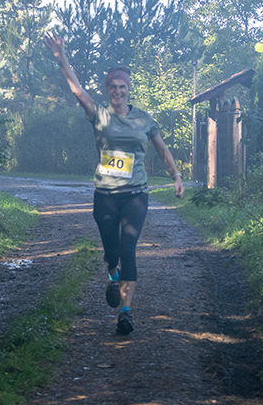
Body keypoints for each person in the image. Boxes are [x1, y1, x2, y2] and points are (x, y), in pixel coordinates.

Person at [44, 31, 185, 335]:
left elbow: (161, 148)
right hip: (106, 195)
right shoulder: (99, 115)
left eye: (122, 86)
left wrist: (176, 174)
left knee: (129, 248)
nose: (118, 91)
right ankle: (111, 274)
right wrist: (60, 57)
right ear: (108, 89)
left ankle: (125, 311)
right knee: (112, 252)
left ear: (128, 88)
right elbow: (78, 91)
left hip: (136, 194)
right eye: (113, 87)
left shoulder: (144, 119)